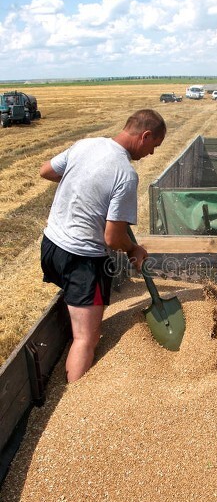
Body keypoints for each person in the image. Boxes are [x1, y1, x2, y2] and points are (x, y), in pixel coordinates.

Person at [40, 108, 166, 383]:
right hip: (82, 261)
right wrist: (134, 249)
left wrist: (83, 184)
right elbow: (112, 238)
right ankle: (77, 402)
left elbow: (46, 171)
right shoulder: (125, 174)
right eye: (154, 146)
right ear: (144, 136)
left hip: (51, 246)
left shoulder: (86, 144)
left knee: (80, 318)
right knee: (87, 338)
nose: (152, 154)